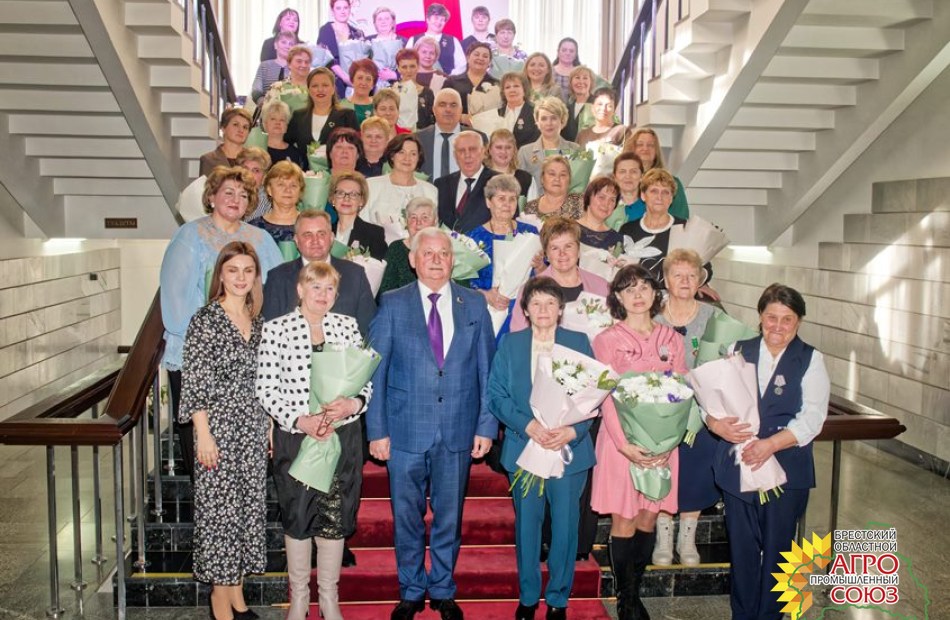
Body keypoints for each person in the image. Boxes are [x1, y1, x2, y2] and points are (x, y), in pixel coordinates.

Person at [366, 227, 496, 620]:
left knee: (449, 516)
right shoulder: (392, 302)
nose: (436, 260)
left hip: (458, 429)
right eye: (428, 253)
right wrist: (377, 431)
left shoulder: (474, 304)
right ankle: (410, 589)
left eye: (443, 253)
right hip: (405, 430)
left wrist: (486, 426)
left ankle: (442, 588)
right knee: (406, 516)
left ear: (453, 260)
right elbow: (375, 371)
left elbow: (487, 371)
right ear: (413, 260)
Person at [257, 261, 373, 620]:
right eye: (315, 287)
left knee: (333, 518)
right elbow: (265, 388)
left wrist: (353, 404)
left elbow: (364, 381)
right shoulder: (276, 329)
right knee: (298, 516)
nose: (323, 295)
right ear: (300, 289)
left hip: (340, 436)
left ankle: (328, 598)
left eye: (329, 288)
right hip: (297, 438)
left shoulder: (347, 326)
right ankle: (299, 599)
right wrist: (300, 420)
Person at [708, 284, 829, 620]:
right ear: (760, 316)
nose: (778, 326)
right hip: (739, 465)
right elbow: (713, 400)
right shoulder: (737, 349)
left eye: (787, 319)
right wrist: (717, 425)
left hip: (786, 469)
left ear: (799, 321)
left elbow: (813, 417)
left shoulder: (810, 359)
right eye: (771, 317)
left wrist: (771, 445)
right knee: (742, 549)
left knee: (779, 552)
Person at [161, 167, 282, 480]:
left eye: (243, 195)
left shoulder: (261, 239)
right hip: (198, 357)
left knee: (248, 457)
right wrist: (216, 341)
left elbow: (276, 294)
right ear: (211, 197)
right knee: (206, 456)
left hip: (248, 360)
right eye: (228, 192)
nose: (235, 199)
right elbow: (174, 303)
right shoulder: (189, 236)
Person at [487, 276, 594, 620]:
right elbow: (496, 395)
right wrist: (528, 425)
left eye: (550, 303)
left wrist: (572, 431)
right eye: (536, 303)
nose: (543, 309)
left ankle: (558, 599)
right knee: (527, 526)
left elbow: (594, 397)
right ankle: (529, 596)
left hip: (567, 450)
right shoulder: (511, 345)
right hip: (525, 447)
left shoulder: (578, 342)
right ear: (526, 310)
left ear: (561, 309)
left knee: (565, 527)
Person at [591, 264, 688, 620]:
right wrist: (623, 444)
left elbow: (682, 390)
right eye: (628, 289)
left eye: (644, 287)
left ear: (654, 293)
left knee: (648, 518)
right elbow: (604, 395)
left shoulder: (672, 339)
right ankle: (626, 598)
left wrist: (668, 442)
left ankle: (636, 589)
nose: (637, 295)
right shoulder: (606, 340)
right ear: (617, 297)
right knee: (625, 520)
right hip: (622, 445)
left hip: (662, 446)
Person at [179, 241, 268, 620]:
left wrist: (268, 427)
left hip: (252, 429)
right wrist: (203, 433)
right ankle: (220, 602)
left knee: (245, 512)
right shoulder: (205, 320)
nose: (240, 277)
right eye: (233, 270)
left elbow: (265, 381)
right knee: (219, 517)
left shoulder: (258, 320)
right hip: (217, 429)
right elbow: (195, 380)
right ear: (220, 274)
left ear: (256, 276)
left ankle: (238, 598)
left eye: (248, 270)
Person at [652, 249, 718, 567]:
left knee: (695, 471)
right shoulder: (652, 316)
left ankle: (687, 537)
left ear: (699, 281)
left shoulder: (713, 317)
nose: (685, 281)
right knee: (664, 469)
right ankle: (663, 535)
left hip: (701, 411)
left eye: (692, 275)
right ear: (666, 280)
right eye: (678, 275)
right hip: (662, 411)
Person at [262, 209, 376, 334]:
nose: (315, 240)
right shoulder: (277, 277)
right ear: (296, 240)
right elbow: (269, 331)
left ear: (332, 238)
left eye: (321, 234)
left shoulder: (355, 275)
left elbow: (369, 330)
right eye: (307, 234)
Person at [619, 168, 718, 298]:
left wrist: (698, 283)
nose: (659, 197)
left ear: (671, 198)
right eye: (654, 191)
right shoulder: (628, 230)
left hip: (677, 300)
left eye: (665, 192)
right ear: (643, 195)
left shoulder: (686, 228)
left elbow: (705, 268)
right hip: (638, 300)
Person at [466, 174, 539, 337]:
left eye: (512, 199)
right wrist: (485, 295)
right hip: (486, 311)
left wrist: (539, 265)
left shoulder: (530, 233)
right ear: (488, 202)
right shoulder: (473, 237)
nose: (507, 204)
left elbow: (545, 273)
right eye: (501, 198)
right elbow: (463, 282)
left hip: (525, 310)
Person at [510, 217, 609, 331]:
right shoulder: (529, 290)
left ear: (578, 250)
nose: (562, 253)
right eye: (555, 248)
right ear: (546, 254)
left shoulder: (601, 286)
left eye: (568, 246)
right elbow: (518, 334)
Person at [362, 134, 438, 231]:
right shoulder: (371, 186)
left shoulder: (430, 190)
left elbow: (433, 229)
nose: (407, 158)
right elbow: (362, 223)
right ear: (392, 156)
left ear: (418, 158)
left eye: (413, 154)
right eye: (401, 152)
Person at [434, 130, 498, 233]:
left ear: (483, 152)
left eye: (472, 149)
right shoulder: (441, 184)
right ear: (455, 155)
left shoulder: (499, 182)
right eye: (461, 150)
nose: (467, 155)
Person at [285, 67, 359, 153]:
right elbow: (285, 144)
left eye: (325, 85)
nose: (320, 90)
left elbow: (357, 148)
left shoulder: (347, 115)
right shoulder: (298, 116)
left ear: (333, 89)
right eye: (315, 86)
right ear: (309, 90)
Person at [623, 128, 689, 220]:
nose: (645, 148)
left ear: (656, 151)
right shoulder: (620, 183)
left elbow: (681, 219)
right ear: (631, 150)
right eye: (640, 144)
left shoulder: (672, 183)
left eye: (650, 145)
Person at [517, 97, 580, 189]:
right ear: (537, 122)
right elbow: (520, 187)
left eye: (553, 118)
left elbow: (578, 185)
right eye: (544, 119)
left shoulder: (575, 149)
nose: (549, 123)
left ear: (562, 121)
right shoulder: (525, 152)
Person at [378, 197, 436, 295]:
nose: (418, 222)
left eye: (425, 217)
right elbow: (385, 290)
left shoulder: (441, 250)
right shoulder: (396, 248)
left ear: (434, 222)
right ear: (406, 222)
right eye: (413, 217)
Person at [330, 170, 387, 260]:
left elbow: (378, 266)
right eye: (340, 193)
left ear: (361, 201)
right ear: (333, 199)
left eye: (353, 194)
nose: (346, 198)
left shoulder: (374, 234)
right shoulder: (325, 231)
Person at [248, 161, 305, 245]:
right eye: (281, 185)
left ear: (300, 191)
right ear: (269, 190)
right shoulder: (253, 229)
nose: (288, 190)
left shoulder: (311, 225)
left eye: (293, 185)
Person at [317, 0, 366, 98]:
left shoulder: (357, 33)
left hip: (355, 82)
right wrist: (345, 78)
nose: (342, 11)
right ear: (332, 11)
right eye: (338, 8)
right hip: (333, 82)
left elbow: (364, 59)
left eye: (345, 8)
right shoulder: (326, 30)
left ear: (350, 9)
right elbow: (328, 59)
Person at [415, 88, 466, 181]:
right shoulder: (417, 139)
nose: (448, 109)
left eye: (453, 105)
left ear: (461, 109)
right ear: (434, 110)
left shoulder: (478, 139)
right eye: (442, 105)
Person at [406, 3, 466, 76]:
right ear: (428, 19)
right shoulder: (414, 40)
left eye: (442, 20)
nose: (439, 22)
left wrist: (449, 77)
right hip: (419, 80)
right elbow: (406, 63)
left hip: (448, 81)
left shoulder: (453, 40)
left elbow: (462, 66)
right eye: (436, 18)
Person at [444, 41, 498, 118]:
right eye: (476, 54)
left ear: (490, 62)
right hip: (457, 124)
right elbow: (442, 108)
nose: (480, 58)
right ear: (467, 58)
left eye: (485, 56)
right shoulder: (451, 82)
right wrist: (461, 118)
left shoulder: (497, 85)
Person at [521, 156, 583, 222]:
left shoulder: (581, 203)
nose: (557, 179)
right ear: (542, 178)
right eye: (552, 174)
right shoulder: (530, 207)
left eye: (562, 175)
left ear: (569, 180)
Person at [259, 45, 314, 114]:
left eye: (307, 62)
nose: (304, 65)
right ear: (289, 64)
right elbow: (267, 115)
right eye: (299, 61)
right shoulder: (277, 87)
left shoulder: (317, 87)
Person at [199, 108, 252, 177]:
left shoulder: (254, 159)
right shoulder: (208, 160)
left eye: (245, 127)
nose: (241, 130)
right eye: (235, 124)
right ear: (223, 127)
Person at [576, 175, 624, 250]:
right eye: (601, 197)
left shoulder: (617, 240)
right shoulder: (567, 229)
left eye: (612, 200)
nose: (606, 204)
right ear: (588, 197)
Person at [484, 129, 536, 198]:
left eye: (508, 147)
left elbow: (532, 203)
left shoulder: (527, 179)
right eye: (499, 147)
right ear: (490, 150)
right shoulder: (480, 178)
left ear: (514, 150)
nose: (503, 152)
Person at [250, 30, 297, 103]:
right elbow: (256, 89)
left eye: (291, 44)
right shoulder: (264, 65)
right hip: (265, 105)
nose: (287, 46)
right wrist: (262, 102)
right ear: (275, 45)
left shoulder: (297, 68)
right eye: (283, 42)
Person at [394, 48, 435, 130]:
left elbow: (432, 121)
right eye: (404, 67)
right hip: (399, 136)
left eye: (412, 66)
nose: (408, 70)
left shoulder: (427, 93)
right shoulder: (392, 91)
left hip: (423, 136)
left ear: (418, 66)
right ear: (398, 68)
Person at [259, 100, 307, 170]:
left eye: (282, 120)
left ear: (286, 126)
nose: (278, 123)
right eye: (273, 119)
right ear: (265, 123)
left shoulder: (296, 153)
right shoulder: (258, 151)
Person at [497, 72, 539, 148]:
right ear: (503, 92)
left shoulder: (536, 112)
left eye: (516, 86)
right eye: (507, 87)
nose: (512, 90)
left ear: (524, 90)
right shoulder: (497, 113)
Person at [367, 6, 405, 86]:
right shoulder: (367, 42)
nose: (383, 22)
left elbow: (412, 69)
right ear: (375, 23)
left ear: (393, 22)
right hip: (372, 87)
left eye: (387, 19)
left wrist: (395, 75)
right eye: (379, 19)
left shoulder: (404, 42)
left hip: (399, 87)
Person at [561, 66, 596, 142]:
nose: (581, 82)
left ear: (591, 82)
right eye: (577, 78)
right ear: (571, 83)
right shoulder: (566, 108)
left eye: (585, 78)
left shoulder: (599, 105)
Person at [237, 147, 272, 222]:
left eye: (256, 171)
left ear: (264, 176)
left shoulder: (266, 202)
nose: (249, 175)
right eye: (245, 169)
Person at [341, 58, 378, 124]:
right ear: (352, 80)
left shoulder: (378, 105)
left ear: (373, 84)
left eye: (368, 79)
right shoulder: (341, 106)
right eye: (360, 78)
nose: (363, 83)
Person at [613, 152, 645, 223]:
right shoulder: (606, 206)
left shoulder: (650, 206)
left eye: (633, 171)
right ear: (615, 177)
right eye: (622, 172)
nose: (628, 176)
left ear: (641, 176)